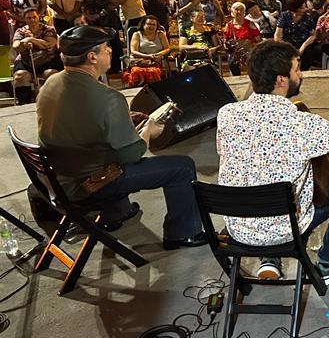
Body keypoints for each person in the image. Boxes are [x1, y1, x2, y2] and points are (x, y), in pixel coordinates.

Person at [36, 25, 203, 247]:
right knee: (181, 167)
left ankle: (116, 213)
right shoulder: (108, 97)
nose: (110, 51)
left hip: (56, 178)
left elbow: (80, 122)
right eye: (106, 48)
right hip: (88, 186)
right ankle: (182, 233)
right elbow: (132, 154)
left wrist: (123, 118)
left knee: (104, 149)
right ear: (92, 57)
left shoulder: (51, 83)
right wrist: (148, 131)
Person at [217, 40, 329, 280]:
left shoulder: (226, 114)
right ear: (280, 79)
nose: (301, 75)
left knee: (260, 173)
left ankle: (270, 260)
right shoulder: (305, 123)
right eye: (296, 69)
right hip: (284, 230)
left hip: (238, 227)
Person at [11, 8, 61, 103]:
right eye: (29, 18)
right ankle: (24, 103)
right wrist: (23, 44)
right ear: (25, 19)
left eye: (34, 17)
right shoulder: (20, 31)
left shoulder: (48, 29)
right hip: (26, 61)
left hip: (48, 60)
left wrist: (30, 39)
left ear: (38, 17)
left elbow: (48, 45)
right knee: (20, 76)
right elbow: (16, 46)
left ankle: (52, 101)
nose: (32, 20)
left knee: (51, 74)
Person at [274, 0, 320, 70]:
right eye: (302, 8)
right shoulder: (284, 15)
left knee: (308, 52)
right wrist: (281, 45)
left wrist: (303, 46)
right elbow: (278, 34)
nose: (304, 9)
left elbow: (313, 35)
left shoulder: (308, 17)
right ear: (295, 8)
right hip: (288, 43)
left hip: (303, 42)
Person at [221, 2, 260, 75]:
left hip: (249, 51)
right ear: (232, 12)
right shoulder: (228, 26)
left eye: (241, 10)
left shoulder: (250, 24)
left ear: (245, 12)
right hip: (236, 53)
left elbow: (258, 40)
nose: (239, 12)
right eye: (236, 9)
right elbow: (225, 42)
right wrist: (229, 46)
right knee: (232, 62)